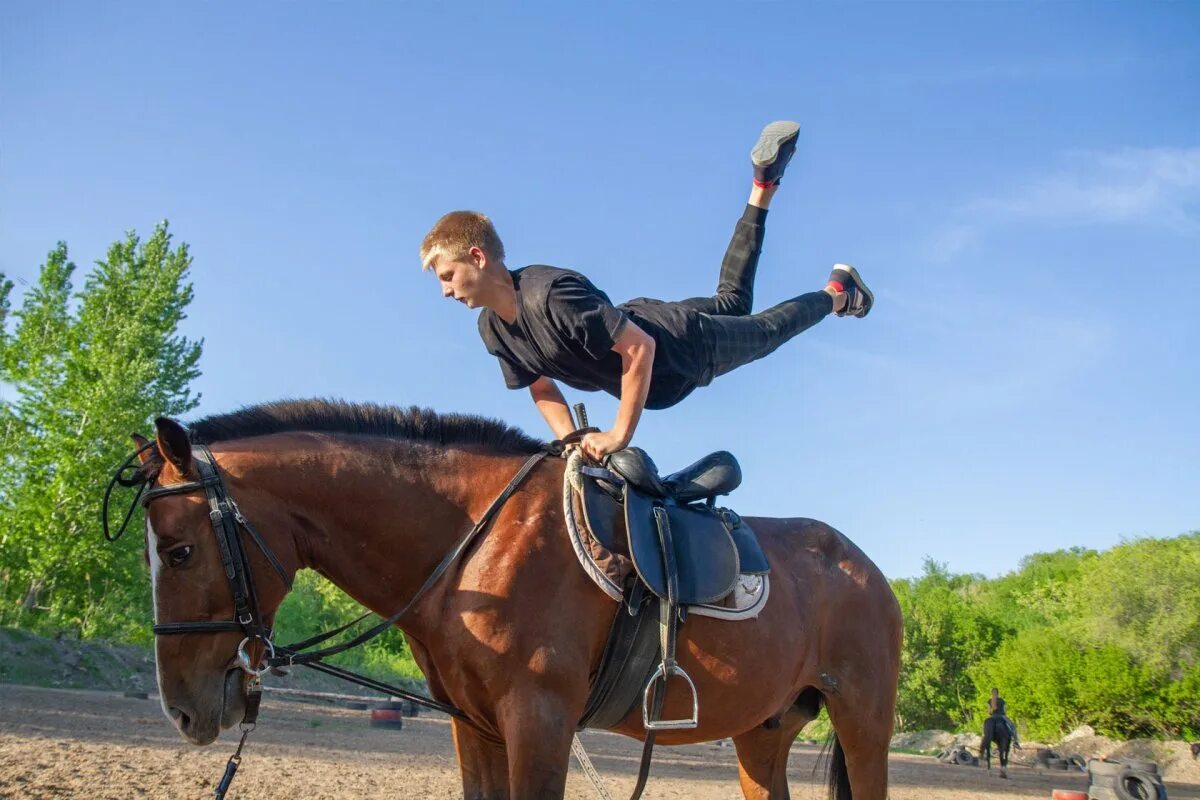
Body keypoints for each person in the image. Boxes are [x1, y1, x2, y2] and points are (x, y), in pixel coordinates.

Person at [420, 121, 873, 461]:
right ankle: (762, 186)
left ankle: (838, 291)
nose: (444, 292)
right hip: (656, 320)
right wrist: (572, 443)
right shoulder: (492, 329)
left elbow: (639, 350)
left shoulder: (551, 294)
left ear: (478, 258)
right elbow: (540, 387)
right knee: (734, 302)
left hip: (680, 349)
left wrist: (618, 435)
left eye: (446, 276)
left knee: (766, 331)